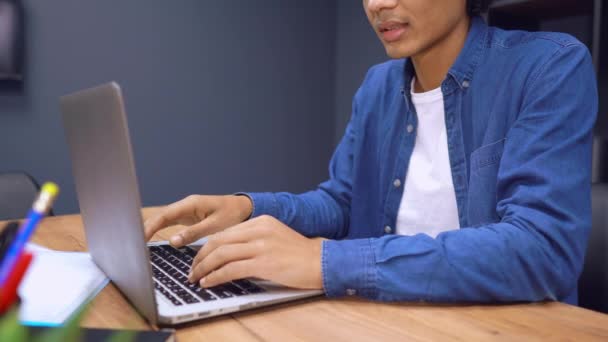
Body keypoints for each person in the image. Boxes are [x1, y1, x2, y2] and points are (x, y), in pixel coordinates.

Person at [144, 0, 598, 304]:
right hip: (387, 317)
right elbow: (342, 204)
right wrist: (246, 208)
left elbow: (542, 251)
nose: (377, 4)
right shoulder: (378, 86)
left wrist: (327, 263)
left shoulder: (549, 66)